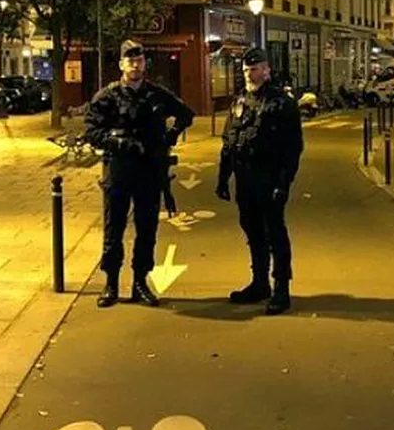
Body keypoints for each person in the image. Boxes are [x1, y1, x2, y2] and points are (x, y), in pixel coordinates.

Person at [84, 39, 195, 308]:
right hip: (119, 169)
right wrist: (117, 142)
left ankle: (140, 282)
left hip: (149, 170)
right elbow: (91, 130)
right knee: (114, 229)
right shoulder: (107, 96)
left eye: (139, 61)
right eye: (130, 61)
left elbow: (186, 115)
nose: (135, 65)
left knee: (147, 230)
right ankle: (111, 284)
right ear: (121, 64)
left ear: (144, 64)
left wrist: (169, 137)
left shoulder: (156, 94)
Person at [216, 47, 303, 316]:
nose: (248, 74)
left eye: (253, 69)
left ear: (266, 70)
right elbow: (229, 140)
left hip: (270, 178)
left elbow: (293, 148)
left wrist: (283, 183)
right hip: (245, 179)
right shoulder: (240, 101)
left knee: (275, 232)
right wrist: (223, 177)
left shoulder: (281, 103)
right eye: (245, 70)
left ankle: (281, 287)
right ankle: (259, 282)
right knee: (252, 230)